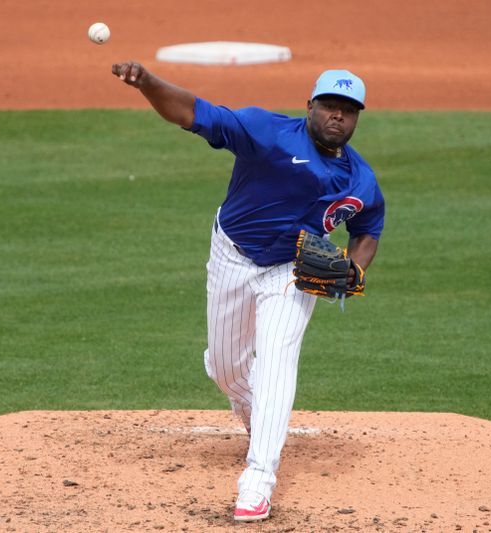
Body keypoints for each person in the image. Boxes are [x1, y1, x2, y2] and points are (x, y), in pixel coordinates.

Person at [111, 61, 385, 522]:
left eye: (348, 110)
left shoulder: (361, 181)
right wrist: (148, 83)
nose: (337, 116)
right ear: (310, 106)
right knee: (225, 369)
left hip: (292, 271)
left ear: (358, 117)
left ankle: (258, 481)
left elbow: (368, 229)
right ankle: (254, 408)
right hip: (231, 255)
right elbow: (193, 114)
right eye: (329, 106)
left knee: (277, 361)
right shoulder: (266, 132)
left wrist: (353, 269)